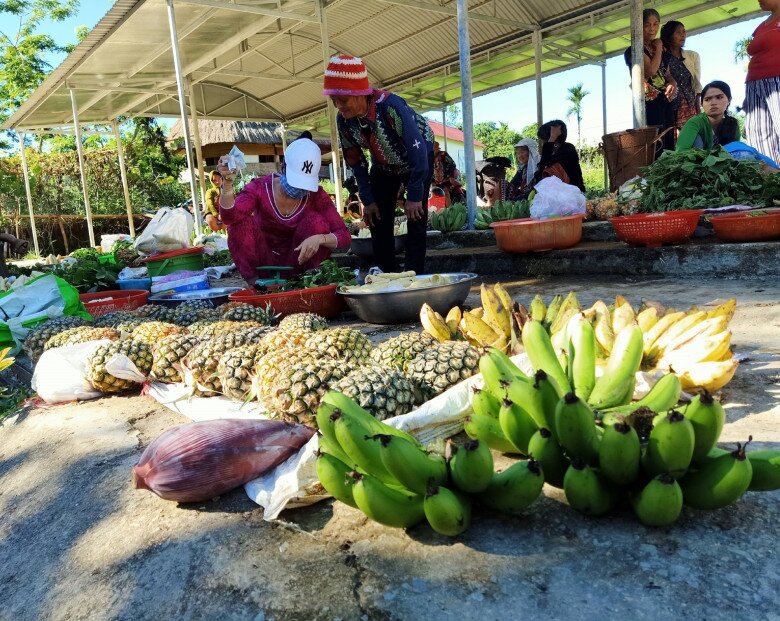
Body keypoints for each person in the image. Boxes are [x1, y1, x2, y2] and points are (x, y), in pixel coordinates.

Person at [323, 53, 433, 274]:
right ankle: (388, 275)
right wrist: (368, 199)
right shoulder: (344, 121)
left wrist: (413, 195)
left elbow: (418, 150)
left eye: (342, 100)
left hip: (417, 158)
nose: (338, 106)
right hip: (383, 165)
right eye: (334, 100)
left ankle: (415, 276)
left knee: (415, 216)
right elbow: (355, 160)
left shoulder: (391, 106)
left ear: (360, 93)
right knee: (377, 218)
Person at [216, 136, 350, 287]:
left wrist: (320, 238)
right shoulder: (259, 188)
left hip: (300, 264)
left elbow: (344, 235)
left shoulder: (317, 196)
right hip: (264, 262)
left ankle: (307, 283)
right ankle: (257, 286)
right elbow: (229, 217)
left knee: (316, 222)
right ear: (282, 168)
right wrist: (227, 184)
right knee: (239, 223)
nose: (300, 189)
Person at [624, 9, 678, 152]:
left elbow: (667, 74)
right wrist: (659, 46)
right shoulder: (635, 50)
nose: (652, 29)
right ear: (639, 26)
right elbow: (652, 70)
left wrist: (673, 83)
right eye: (647, 25)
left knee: (669, 142)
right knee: (656, 144)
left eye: (655, 24)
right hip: (649, 102)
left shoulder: (660, 50)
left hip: (665, 101)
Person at [743, 0, 780, 165]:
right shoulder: (761, 26)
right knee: (759, 135)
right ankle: (771, 182)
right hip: (753, 83)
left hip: (776, 80)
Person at [660, 20, 701, 130]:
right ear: (669, 36)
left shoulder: (692, 56)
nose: (683, 35)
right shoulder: (661, 57)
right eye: (678, 32)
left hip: (690, 107)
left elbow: (697, 87)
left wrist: (699, 112)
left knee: (695, 142)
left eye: (684, 31)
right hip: (670, 110)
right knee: (676, 145)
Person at [677, 81, 741, 151]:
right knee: (697, 140)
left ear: (729, 100)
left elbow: (736, 152)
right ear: (702, 104)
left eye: (719, 97)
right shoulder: (695, 122)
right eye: (707, 99)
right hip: (693, 161)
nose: (713, 103)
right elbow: (680, 153)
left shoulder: (733, 124)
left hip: (726, 161)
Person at [531, 120, 585, 192]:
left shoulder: (568, 148)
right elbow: (542, 169)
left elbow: (548, 163)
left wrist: (552, 137)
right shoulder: (551, 150)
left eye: (546, 140)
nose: (545, 142)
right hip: (557, 193)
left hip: (572, 191)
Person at [432, 141, 463, 205]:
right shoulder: (428, 157)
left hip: (446, 178)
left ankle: (449, 209)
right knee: (434, 193)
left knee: (446, 192)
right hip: (435, 179)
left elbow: (452, 164)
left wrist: (451, 177)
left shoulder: (443, 154)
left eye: (435, 149)